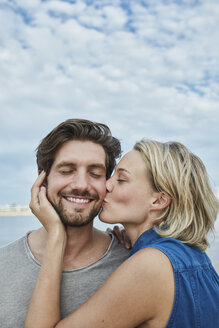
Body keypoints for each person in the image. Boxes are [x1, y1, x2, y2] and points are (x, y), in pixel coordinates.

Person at [25, 139, 219, 328]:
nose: (107, 185)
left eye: (122, 179)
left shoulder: (150, 266)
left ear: (159, 201)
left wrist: (57, 235)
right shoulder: (193, 257)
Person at [0, 119, 129, 328]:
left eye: (95, 173)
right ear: (42, 179)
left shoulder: (131, 260)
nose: (81, 185)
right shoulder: (3, 265)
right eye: (67, 170)